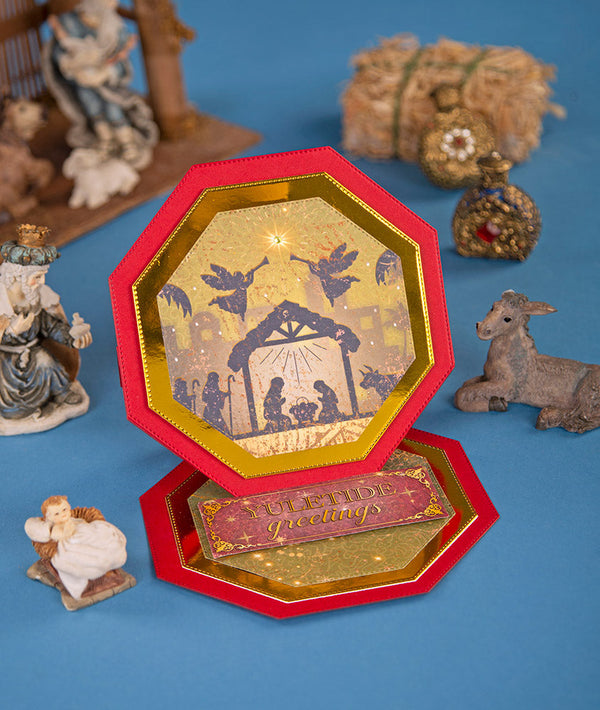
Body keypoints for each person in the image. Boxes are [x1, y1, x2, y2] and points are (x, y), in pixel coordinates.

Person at [43, 0, 158, 169]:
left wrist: (108, 71)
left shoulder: (112, 26)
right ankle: (105, 140)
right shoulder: (69, 22)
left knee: (112, 109)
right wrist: (69, 64)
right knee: (92, 108)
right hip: (82, 79)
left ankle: (126, 142)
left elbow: (119, 58)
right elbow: (60, 51)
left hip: (105, 82)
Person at [0, 224, 92, 423]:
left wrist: (72, 337)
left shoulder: (35, 298)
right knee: (10, 406)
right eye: (37, 277)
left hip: (33, 355)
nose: (42, 282)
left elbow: (50, 327)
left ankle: (60, 392)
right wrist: (12, 330)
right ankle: (14, 407)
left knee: (45, 360)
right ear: (18, 276)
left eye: (42, 276)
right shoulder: (2, 300)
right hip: (5, 363)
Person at [25, 496, 128, 601]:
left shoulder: (75, 518)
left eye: (64, 509)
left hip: (87, 533)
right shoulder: (54, 530)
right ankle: (96, 568)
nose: (63, 514)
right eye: (57, 514)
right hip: (71, 544)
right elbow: (34, 528)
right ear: (49, 518)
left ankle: (108, 559)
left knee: (105, 537)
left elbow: (86, 523)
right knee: (82, 556)